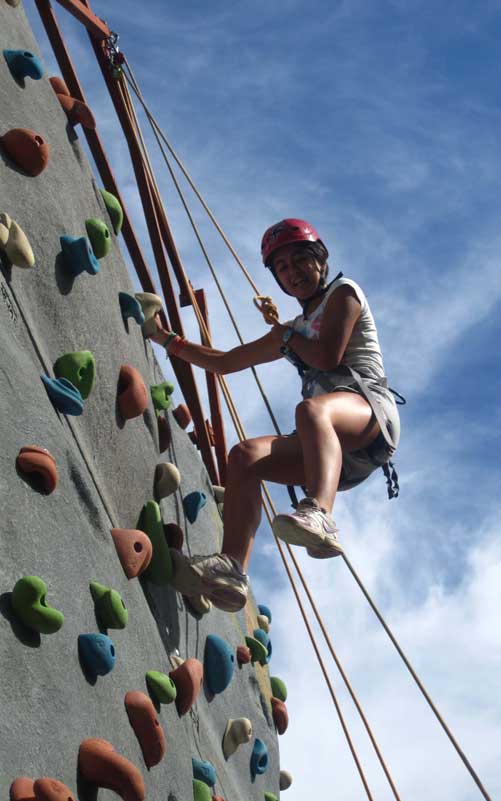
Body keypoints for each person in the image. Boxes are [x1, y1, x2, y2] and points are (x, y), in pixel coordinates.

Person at [149, 219, 400, 612]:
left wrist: (283, 337)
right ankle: (231, 568)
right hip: (329, 444)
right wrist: (168, 339)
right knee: (245, 455)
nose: (293, 271)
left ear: (320, 260)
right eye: (282, 267)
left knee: (312, 410)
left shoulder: (343, 294)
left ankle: (321, 515)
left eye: (300, 260)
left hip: (367, 414)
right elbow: (226, 363)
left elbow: (327, 357)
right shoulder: (290, 331)